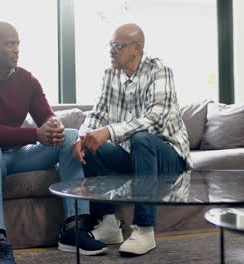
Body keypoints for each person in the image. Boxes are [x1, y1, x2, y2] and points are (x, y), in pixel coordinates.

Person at [0, 21, 107, 264]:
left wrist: (53, 125)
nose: (16, 49)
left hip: (15, 156)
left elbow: (46, 115)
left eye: (17, 43)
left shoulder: (27, 80)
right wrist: (35, 135)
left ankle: (73, 228)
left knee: (68, 135)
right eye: (9, 44)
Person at [73, 23, 192, 256]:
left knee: (141, 138)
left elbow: (155, 119)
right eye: (110, 45)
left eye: (117, 46)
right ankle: (108, 224)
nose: (111, 50)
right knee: (91, 146)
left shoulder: (160, 70)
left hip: (168, 157)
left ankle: (144, 230)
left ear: (136, 49)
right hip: (134, 156)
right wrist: (83, 136)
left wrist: (108, 132)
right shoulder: (110, 74)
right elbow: (97, 114)